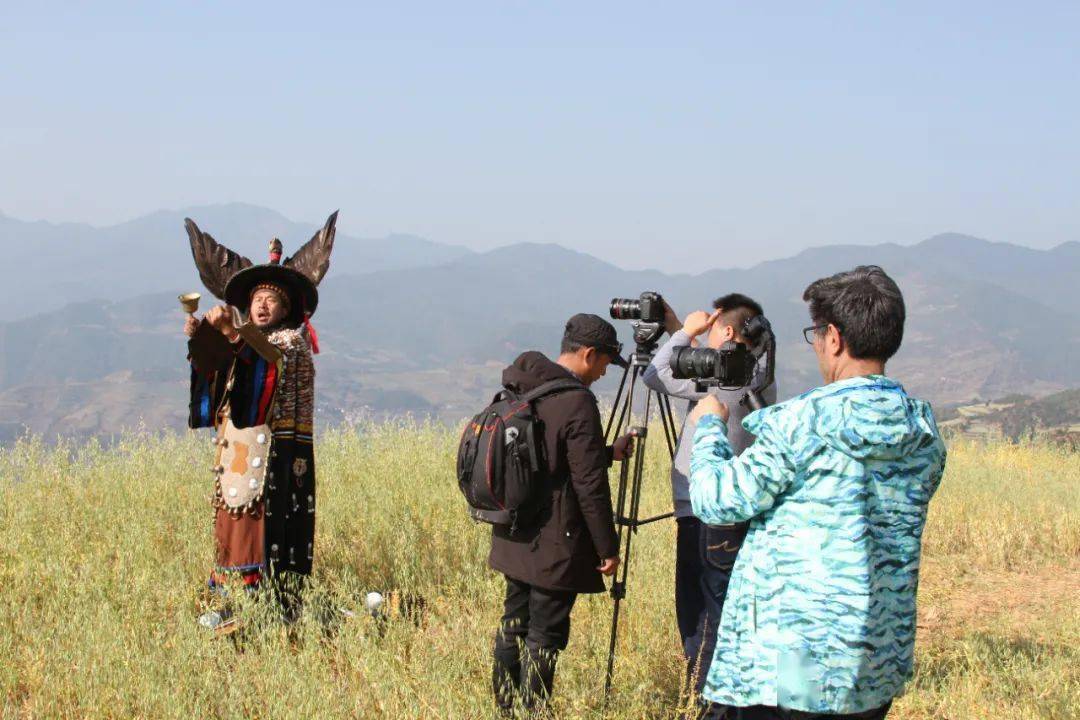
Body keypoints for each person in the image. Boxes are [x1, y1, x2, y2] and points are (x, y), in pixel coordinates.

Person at [688, 266, 947, 720]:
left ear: (834, 339)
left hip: (792, 666)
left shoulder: (801, 423)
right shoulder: (923, 431)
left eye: (816, 335)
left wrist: (710, 425)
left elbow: (715, 499)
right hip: (875, 660)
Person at [183, 213, 337, 627]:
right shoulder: (251, 340)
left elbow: (265, 365)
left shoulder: (289, 342)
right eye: (257, 300)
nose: (263, 305)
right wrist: (204, 338)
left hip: (278, 449)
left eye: (272, 300)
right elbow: (222, 381)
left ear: (285, 309)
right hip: (239, 447)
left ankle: (264, 601)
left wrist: (234, 334)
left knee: (264, 524)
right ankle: (228, 595)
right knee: (232, 517)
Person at [489, 313, 635, 715]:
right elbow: (588, 485)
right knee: (544, 635)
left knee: (512, 623)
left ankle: (505, 709)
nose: (605, 373)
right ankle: (535, 711)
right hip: (556, 543)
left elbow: (547, 458)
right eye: (605, 362)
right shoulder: (577, 401)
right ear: (589, 354)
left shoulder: (524, 386)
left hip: (514, 531)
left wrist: (608, 452)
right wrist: (608, 547)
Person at [642, 293, 777, 697]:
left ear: (730, 333)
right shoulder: (758, 377)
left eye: (715, 328)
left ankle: (703, 695)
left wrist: (685, 331)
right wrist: (673, 327)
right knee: (727, 607)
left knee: (698, 612)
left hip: (701, 511)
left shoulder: (719, 385)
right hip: (740, 510)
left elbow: (655, 374)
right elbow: (711, 362)